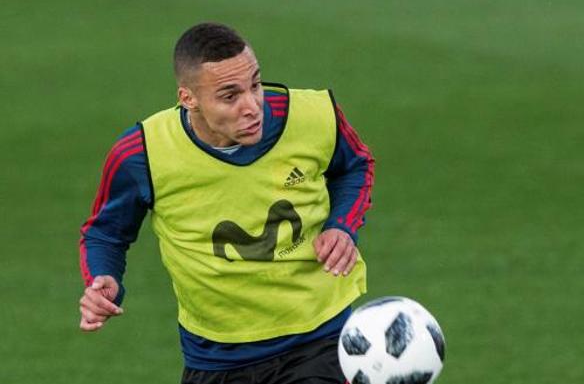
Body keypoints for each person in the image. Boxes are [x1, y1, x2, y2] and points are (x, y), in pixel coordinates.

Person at [78, 22, 374, 384]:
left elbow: (355, 165)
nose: (252, 107)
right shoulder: (142, 155)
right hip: (215, 357)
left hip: (321, 338)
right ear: (188, 99)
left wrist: (342, 226)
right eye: (230, 96)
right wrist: (104, 279)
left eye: (255, 84)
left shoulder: (313, 115)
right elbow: (106, 233)